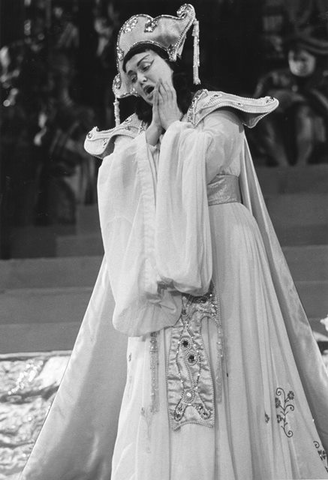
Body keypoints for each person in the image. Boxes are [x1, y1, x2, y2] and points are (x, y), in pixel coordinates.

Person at [20, 4, 328, 480]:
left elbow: (211, 161)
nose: (141, 79)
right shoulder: (138, 135)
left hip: (223, 245)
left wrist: (174, 128)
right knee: (165, 378)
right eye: (130, 75)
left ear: (171, 60)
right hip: (160, 261)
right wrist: (152, 141)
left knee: (232, 365)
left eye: (147, 65)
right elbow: (118, 180)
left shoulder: (217, 109)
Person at [252, 29, 328, 166]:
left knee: (303, 112)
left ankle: (302, 162)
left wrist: (301, 98)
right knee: (265, 118)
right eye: (294, 59)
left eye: (304, 60)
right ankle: (281, 162)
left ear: (315, 59)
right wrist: (274, 99)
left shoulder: (323, 79)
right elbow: (254, 104)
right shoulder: (274, 78)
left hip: (315, 137)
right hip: (279, 132)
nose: (299, 64)